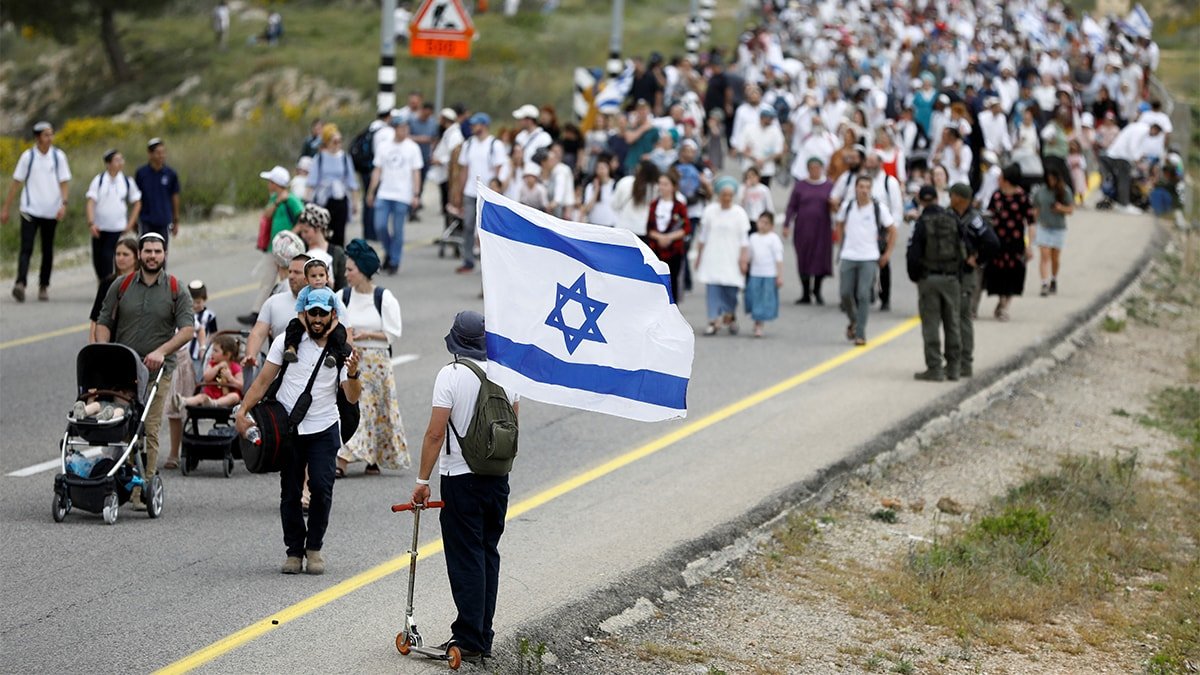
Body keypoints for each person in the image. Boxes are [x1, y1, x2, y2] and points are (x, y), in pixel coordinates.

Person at [410, 310, 519, 663]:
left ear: (457, 341)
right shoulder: (508, 373)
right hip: (497, 479)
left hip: (461, 479)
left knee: (466, 557)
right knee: (488, 553)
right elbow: (513, 425)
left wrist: (422, 481)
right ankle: (482, 634)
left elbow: (434, 433)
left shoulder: (451, 375)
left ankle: (468, 638)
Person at [236, 287, 362, 575]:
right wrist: (242, 412)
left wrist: (353, 372)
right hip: (289, 428)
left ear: (333, 315)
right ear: (304, 314)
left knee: (321, 487)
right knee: (290, 492)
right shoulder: (286, 341)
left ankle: (314, 547)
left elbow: (352, 397)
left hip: (325, 428)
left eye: (323, 313)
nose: (317, 319)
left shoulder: (343, 350)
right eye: (312, 313)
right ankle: (294, 551)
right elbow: (263, 381)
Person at [94, 233, 194, 505]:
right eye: (147, 251)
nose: (152, 256)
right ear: (140, 254)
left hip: (157, 370)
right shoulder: (122, 284)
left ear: (164, 255)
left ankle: (144, 487)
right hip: (124, 367)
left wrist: (161, 351)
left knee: (148, 427)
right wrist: (104, 349)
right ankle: (119, 481)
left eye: (157, 251)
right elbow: (103, 320)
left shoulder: (176, 288)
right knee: (122, 425)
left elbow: (187, 330)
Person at [336, 240, 408, 476]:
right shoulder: (343, 296)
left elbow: (393, 333)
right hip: (352, 359)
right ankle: (343, 459)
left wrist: (366, 334)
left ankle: (372, 458)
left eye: (350, 270)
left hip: (377, 363)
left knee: (376, 410)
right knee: (358, 408)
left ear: (364, 270)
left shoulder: (383, 298)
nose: (346, 274)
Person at [2, 121, 71, 303]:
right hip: (29, 210)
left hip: (51, 211)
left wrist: (63, 204)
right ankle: (20, 284)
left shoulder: (58, 157)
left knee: (47, 250)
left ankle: (43, 286)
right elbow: (16, 182)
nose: (50, 138)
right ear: (38, 137)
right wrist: (6, 208)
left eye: (51, 134)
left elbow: (64, 182)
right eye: (46, 135)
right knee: (26, 248)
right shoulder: (28, 157)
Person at [906, 185, 962, 381]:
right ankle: (954, 367)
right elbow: (964, 246)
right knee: (952, 323)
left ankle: (935, 368)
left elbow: (913, 255)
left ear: (921, 201)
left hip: (929, 279)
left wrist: (916, 277)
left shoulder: (921, 223)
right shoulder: (953, 219)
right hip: (951, 278)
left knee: (931, 324)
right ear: (938, 198)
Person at [163, 279, 219, 470]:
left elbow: (201, 329)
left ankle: (175, 452)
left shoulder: (190, 316)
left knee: (176, 410)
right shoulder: (163, 314)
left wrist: (203, 347)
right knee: (161, 411)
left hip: (184, 362)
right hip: (163, 362)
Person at [835, 175, 897, 346]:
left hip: (869, 256)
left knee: (863, 294)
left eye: (867, 187)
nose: (864, 190)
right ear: (856, 188)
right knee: (845, 293)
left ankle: (860, 332)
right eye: (861, 186)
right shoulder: (848, 206)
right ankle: (854, 320)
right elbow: (839, 224)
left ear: (871, 189)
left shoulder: (878, 208)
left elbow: (892, 230)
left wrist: (887, 253)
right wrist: (842, 244)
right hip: (849, 254)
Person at [240, 165, 303, 325]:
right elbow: (266, 215)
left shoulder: (291, 200)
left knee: (287, 277)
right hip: (273, 247)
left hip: (286, 248)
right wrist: (276, 203)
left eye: (271, 181)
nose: (269, 184)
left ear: (276, 183)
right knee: (268, 279)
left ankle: (289, 308)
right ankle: (257, 311)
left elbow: (302, 218)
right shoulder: (275, 199)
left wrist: (290, 236)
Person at [947, 183, 995, 378]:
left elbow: (992, 242)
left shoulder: (974, 219)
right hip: (950, 272)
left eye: (953, 195)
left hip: (965, 274)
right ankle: (954, 361)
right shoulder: (949, 214)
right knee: (952, 318)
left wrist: (978, 260)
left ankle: (965, 362)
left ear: (960, 198)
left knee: (963, 318)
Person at [368, 116, 423, 274]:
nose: (404, 131)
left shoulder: (412, 147)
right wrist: (372, 191)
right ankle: (388, 250)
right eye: (401, 128)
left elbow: (416, 172)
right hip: (385, 192)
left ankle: (394, 260)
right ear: (395, 129)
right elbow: (377, 170)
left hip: (402, 195)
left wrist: (416, 194)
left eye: (406, 128)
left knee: (398, 230)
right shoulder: (384, 146)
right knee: (380, 226)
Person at [695, 176, 750, 336]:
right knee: (713, 288)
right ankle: (713, 320)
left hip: (732, 256)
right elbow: (703, 236)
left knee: (731, 289)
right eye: (723, 194)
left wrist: (743, 259)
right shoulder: (710, 211)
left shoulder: (739, 213)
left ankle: (730, 315)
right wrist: (699, 256)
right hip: (713, 255)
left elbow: (744, 240)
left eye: (729, 195)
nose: (726, 198)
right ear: (718, 195)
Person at [453, 113, 507, 274]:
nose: (473, 127)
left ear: (484, 125)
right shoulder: (469, 144)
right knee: (468, 225)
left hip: (488, 193)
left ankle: (489, 261)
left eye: (476, 124)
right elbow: (464, 169)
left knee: (486, 228)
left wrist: (497, 190)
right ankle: (468, 259)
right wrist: (459, 190)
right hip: (471, 190)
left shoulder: (494, 145)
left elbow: (499, 169)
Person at [984, 165, 1037, 321]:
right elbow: (989, 217)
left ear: (1007, 180)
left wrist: (1029, 245)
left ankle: (1005, 306)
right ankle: (1001, 301)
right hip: (997, 243)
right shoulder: (997, 196)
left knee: (1014, 274)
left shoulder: (1023, 198)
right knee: (998, 273)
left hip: (1015, 243)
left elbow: (1031, 223)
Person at [783, 156, 834, 305]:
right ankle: (805, 292)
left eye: (817, 167)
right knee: (803, 257)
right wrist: (786, 224)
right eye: (812, 168)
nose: (815, 170)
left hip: (822, 229)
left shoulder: (829, 185)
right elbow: (791, 206)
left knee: (820, 257)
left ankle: (817, 290)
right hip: (803, 228)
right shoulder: (800, 186)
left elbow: (836, 205)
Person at [283, 258, 351, 368]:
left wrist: (329, 331)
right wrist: (307, 327)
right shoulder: (303, 293)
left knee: (340, 331)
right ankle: (291, 348)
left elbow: (336, 317)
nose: (318, 279)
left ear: (327, 278)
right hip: (307, 321)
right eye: (313, 276)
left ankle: (333, 355)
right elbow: (300, 314)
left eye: (321, 275)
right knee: (293, 325)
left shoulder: (332, 296)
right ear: (306, 280)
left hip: (328, 323)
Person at [86, 149, 142, 280]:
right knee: (97, 258)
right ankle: (103, 281)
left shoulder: (126, 181)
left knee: (108, 256)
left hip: (117, 227)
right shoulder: (99, 180)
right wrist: (91, 222)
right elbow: (90, 202)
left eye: (121, 160)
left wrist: (130, 223)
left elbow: (137, 202)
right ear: (108, 163)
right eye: (117, 160)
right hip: (99, 227)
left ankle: (109, 284)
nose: (120, 163)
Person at [307, 124, 359, 246]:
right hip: (324, 201)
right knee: (325, 234)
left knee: (340, 234)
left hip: (341, 199)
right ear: (327, 142)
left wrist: (355, 202)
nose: (337, 144)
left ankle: (338, 261)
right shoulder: (319, 158)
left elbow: (352, 182)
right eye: (334, 141)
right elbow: (311, 183)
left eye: (339, 141)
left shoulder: (345, 158)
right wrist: (307, 203)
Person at [645, 170, 690, 301]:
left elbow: (685, 227)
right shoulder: (654, 205)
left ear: (673, 187)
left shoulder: (679, 206)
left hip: (674, 250)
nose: (661, 187)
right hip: (656, 248)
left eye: (665, 184)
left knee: (673, 280)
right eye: (660, 184)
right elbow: (649, 228)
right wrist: (660, 237)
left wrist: (669, 237)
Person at [1032, 169, 1074, 297]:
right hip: (1043, 227)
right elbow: (1036, 209)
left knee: (1055, 257)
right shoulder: (1040, 192)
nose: (1051, 181)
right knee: (1044, 256)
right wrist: (1032, 224)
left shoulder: (1065, 191)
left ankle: (1053, 279)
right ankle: (1044, 283)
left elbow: (1071, 210)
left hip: (1058, 228)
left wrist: (1061, 208)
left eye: (1053, 179)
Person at [88, 237, 139, 342]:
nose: (120, 258)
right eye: (118, 254)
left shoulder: (142, 283)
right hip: (110, 342)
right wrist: (93, 345)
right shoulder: (107, 284)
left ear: (136, 257)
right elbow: (96, 317)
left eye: (125, 254)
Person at [134, 138, 181, 243]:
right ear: (150, 154)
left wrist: (176, 219)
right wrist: (134, 219)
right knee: (145, 250)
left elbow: (175, 196)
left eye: (163, 152)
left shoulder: (170, 174)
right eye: (158, 153)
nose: (161, 156)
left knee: (161, 251)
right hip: (146, 219)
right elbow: (136, 198)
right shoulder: (141, 173)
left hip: (163, 219)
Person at [745, 212, 784, 338]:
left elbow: (778, 258)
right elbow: (749, 256)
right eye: (761, 222)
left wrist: (779, 275)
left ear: (772, 226)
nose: (762, 225)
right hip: (755, 273)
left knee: (764, 300)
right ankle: (757, 319)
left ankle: (759, 324)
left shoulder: (773, 239)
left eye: (766, 223)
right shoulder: (753, 238)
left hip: (768, 274)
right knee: (754, 298)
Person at [176, 334, 243, 408]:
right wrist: (217, 367)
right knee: (201, 397)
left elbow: (241, 385)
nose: (212, 353)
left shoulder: (235, 367)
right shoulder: (212, 364)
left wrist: (231, 378)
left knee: (235, 396)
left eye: (215, 351)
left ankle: (215, 403)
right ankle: (183, 401)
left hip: (227, 396)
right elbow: (206, 377)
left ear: (227, 354)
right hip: (210, 395)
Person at [292, 203, 347, 290]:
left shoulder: (337, 253)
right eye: (301, 232)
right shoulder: (301, 251)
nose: (303, 235)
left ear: (318, 228)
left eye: (306, 231)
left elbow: (343, 285)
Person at [612, 160, 659, 237]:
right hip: (643, 230)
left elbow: (614, 205)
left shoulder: (625, 181)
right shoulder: (657, 188)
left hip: (623, 228)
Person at [581, 158, 618, 227]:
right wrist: (596, 191)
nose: (601, 171)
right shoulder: (591, 186)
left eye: (603, 168)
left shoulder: (615, 185)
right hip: (593, 224)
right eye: (598, 168)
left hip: (610, 225)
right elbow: (586, 209)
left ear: (609, 169)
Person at [737, 167, 773, 233]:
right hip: (747, 219)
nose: (751, 178)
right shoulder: (742, 188)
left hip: (759, 219)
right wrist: (746, 189)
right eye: (749, 176)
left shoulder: (764, 189)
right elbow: (740, 205)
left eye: (753, 176)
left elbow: (769, 206)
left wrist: (770, 221)